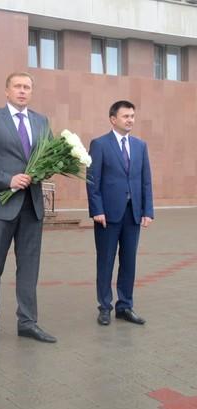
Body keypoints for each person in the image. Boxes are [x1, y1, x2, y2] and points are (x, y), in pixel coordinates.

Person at [0, 72, 56, 351]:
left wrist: (41, 171)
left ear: (31, 92)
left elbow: (50, 159)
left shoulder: (41, 121)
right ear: (7, 91)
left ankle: (28, 322)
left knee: (29, 269)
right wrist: (7, 180)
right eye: (17, 86)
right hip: (1, 205)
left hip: (32, 207)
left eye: (27, 87)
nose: (22, 91)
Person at [86, 100, 153, 326]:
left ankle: (124, 306)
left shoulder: (140, 146)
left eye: (132, 116)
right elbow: (92, 180)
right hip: (107, 215)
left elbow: (145, 181)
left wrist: (147, 210)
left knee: (129, 261)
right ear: (113, 119)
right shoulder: (99, 144)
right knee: (105, 261)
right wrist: (97, 210)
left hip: (133, 214)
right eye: (126, 116)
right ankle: (104, 307)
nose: (130, 120)